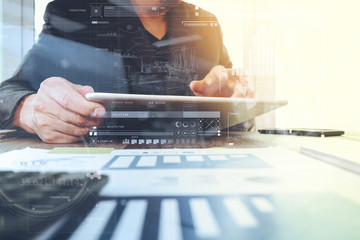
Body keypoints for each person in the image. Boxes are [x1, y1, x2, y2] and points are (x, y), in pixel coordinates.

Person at [0, 0, 253, 143]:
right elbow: (8, 94)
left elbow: (236, 106)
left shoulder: (206, 24)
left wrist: (236, 102)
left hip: (197, 170)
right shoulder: (72, 12)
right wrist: (30, 109)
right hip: (97, 175)